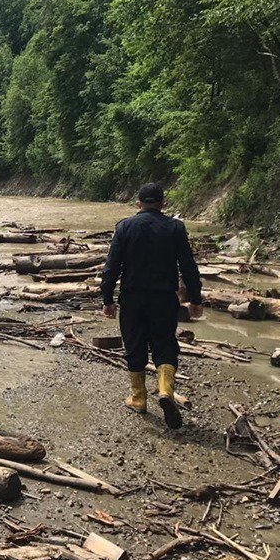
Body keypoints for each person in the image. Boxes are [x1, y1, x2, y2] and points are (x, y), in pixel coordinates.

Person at [100, 183, 203, 429]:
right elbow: (188, 266)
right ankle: (165, 391)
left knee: (134, 345)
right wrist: (196, 299)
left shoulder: (124, 227)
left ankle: (138, 398)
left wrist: (107, 299)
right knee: (165, 344)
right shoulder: (175, 228)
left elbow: (112, 267)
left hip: (133, 299)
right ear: (163, 203)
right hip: (164, 298)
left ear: (138, 204)